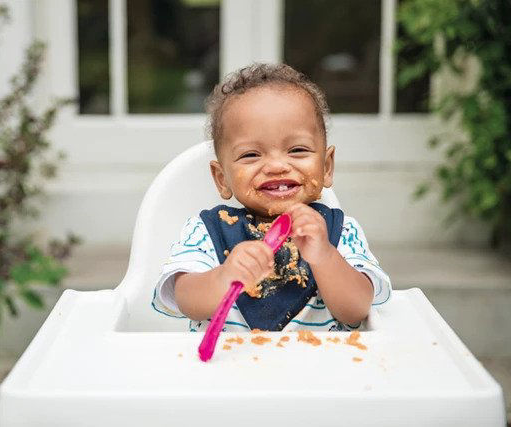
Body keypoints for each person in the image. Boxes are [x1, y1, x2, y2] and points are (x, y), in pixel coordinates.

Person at [152, 63, 391, 332]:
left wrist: (324, 256)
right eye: (251, 155)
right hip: (226, 368)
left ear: (326, 167)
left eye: (297, 150)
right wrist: (224, 276)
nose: (276, 166)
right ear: (222, 179)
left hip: (320, 369)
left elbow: (357, 309)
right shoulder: (207, 231)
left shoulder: (340, 231)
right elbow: (186, 300)